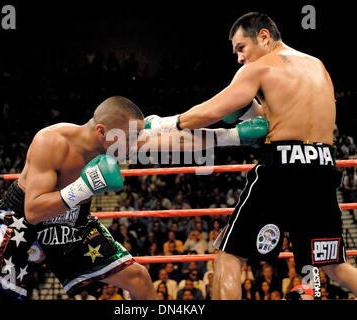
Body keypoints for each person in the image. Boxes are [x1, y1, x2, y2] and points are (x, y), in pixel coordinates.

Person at [145, 12, 357, 299]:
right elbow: (287, 120)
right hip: (323, 167)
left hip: (283, 167)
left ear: (264, 37)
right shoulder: (317, 66)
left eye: (241, 48)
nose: (239, 58)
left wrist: (163, 123)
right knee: (332, 264)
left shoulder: (259, 68)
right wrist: (251, 112)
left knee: (229, 257)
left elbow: (211, 111)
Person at [0, 96, 158, 300]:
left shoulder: (117, 142)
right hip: (23, 218)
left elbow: (170, 138)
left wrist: (170, 123)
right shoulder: (51, 141)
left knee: (139, 278)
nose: (133, 146)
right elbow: (33, 212)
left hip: (73, 220)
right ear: (101, 131)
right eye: (130, 139)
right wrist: (84, 187)